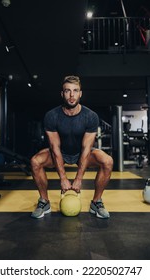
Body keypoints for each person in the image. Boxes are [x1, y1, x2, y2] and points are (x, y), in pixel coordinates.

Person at [31, 76, 113, 219]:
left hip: (81, 153)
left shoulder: (91, 116)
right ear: (62, 94)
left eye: (75, 91)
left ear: (80, 93)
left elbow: (87, 149)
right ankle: (44, 201)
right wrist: (63, 178)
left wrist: (79, 179)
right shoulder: (51, 116)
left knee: (107, 161)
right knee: (35, 161)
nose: (71, 95)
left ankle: (96, 202)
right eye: (67, 91)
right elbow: (54, 147)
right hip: (60, 153)